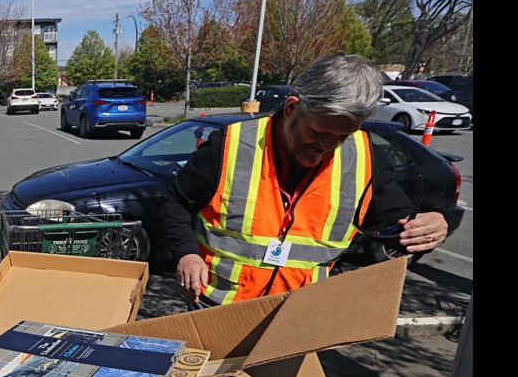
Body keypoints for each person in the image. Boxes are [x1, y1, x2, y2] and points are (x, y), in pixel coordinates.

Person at [160, 54, 449, 308]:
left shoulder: (366, 158)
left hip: (298, 316)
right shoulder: (230, 146)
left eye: (341, 136)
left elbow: (393, 222)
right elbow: (176, 201)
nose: (327, 145)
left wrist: (428, 228)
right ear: (291, 108)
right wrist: (187, 255)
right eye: (319, 131)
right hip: (218, 306)